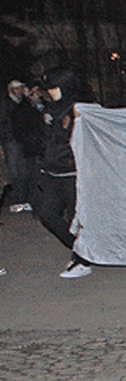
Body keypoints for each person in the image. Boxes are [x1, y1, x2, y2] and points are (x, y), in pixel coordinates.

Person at [34, 69, 92, 278]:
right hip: (52, 171)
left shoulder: (77, 108)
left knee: (75, 218)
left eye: (54, 88)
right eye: (48, 89)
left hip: (72, 171)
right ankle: (79, 250)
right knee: (48, 215)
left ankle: (82, 261)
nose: (50, 92)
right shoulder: (51, 109)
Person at [3, 80, 41, 213]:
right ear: (11, 90)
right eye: (18, 89)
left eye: (21, 88)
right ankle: (17, 200)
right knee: (15, 171)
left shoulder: (22, 103)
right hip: (11, 140)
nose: (20, 91)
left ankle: (24, 199)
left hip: (22, 140)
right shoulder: (6, 104)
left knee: (24, 171)